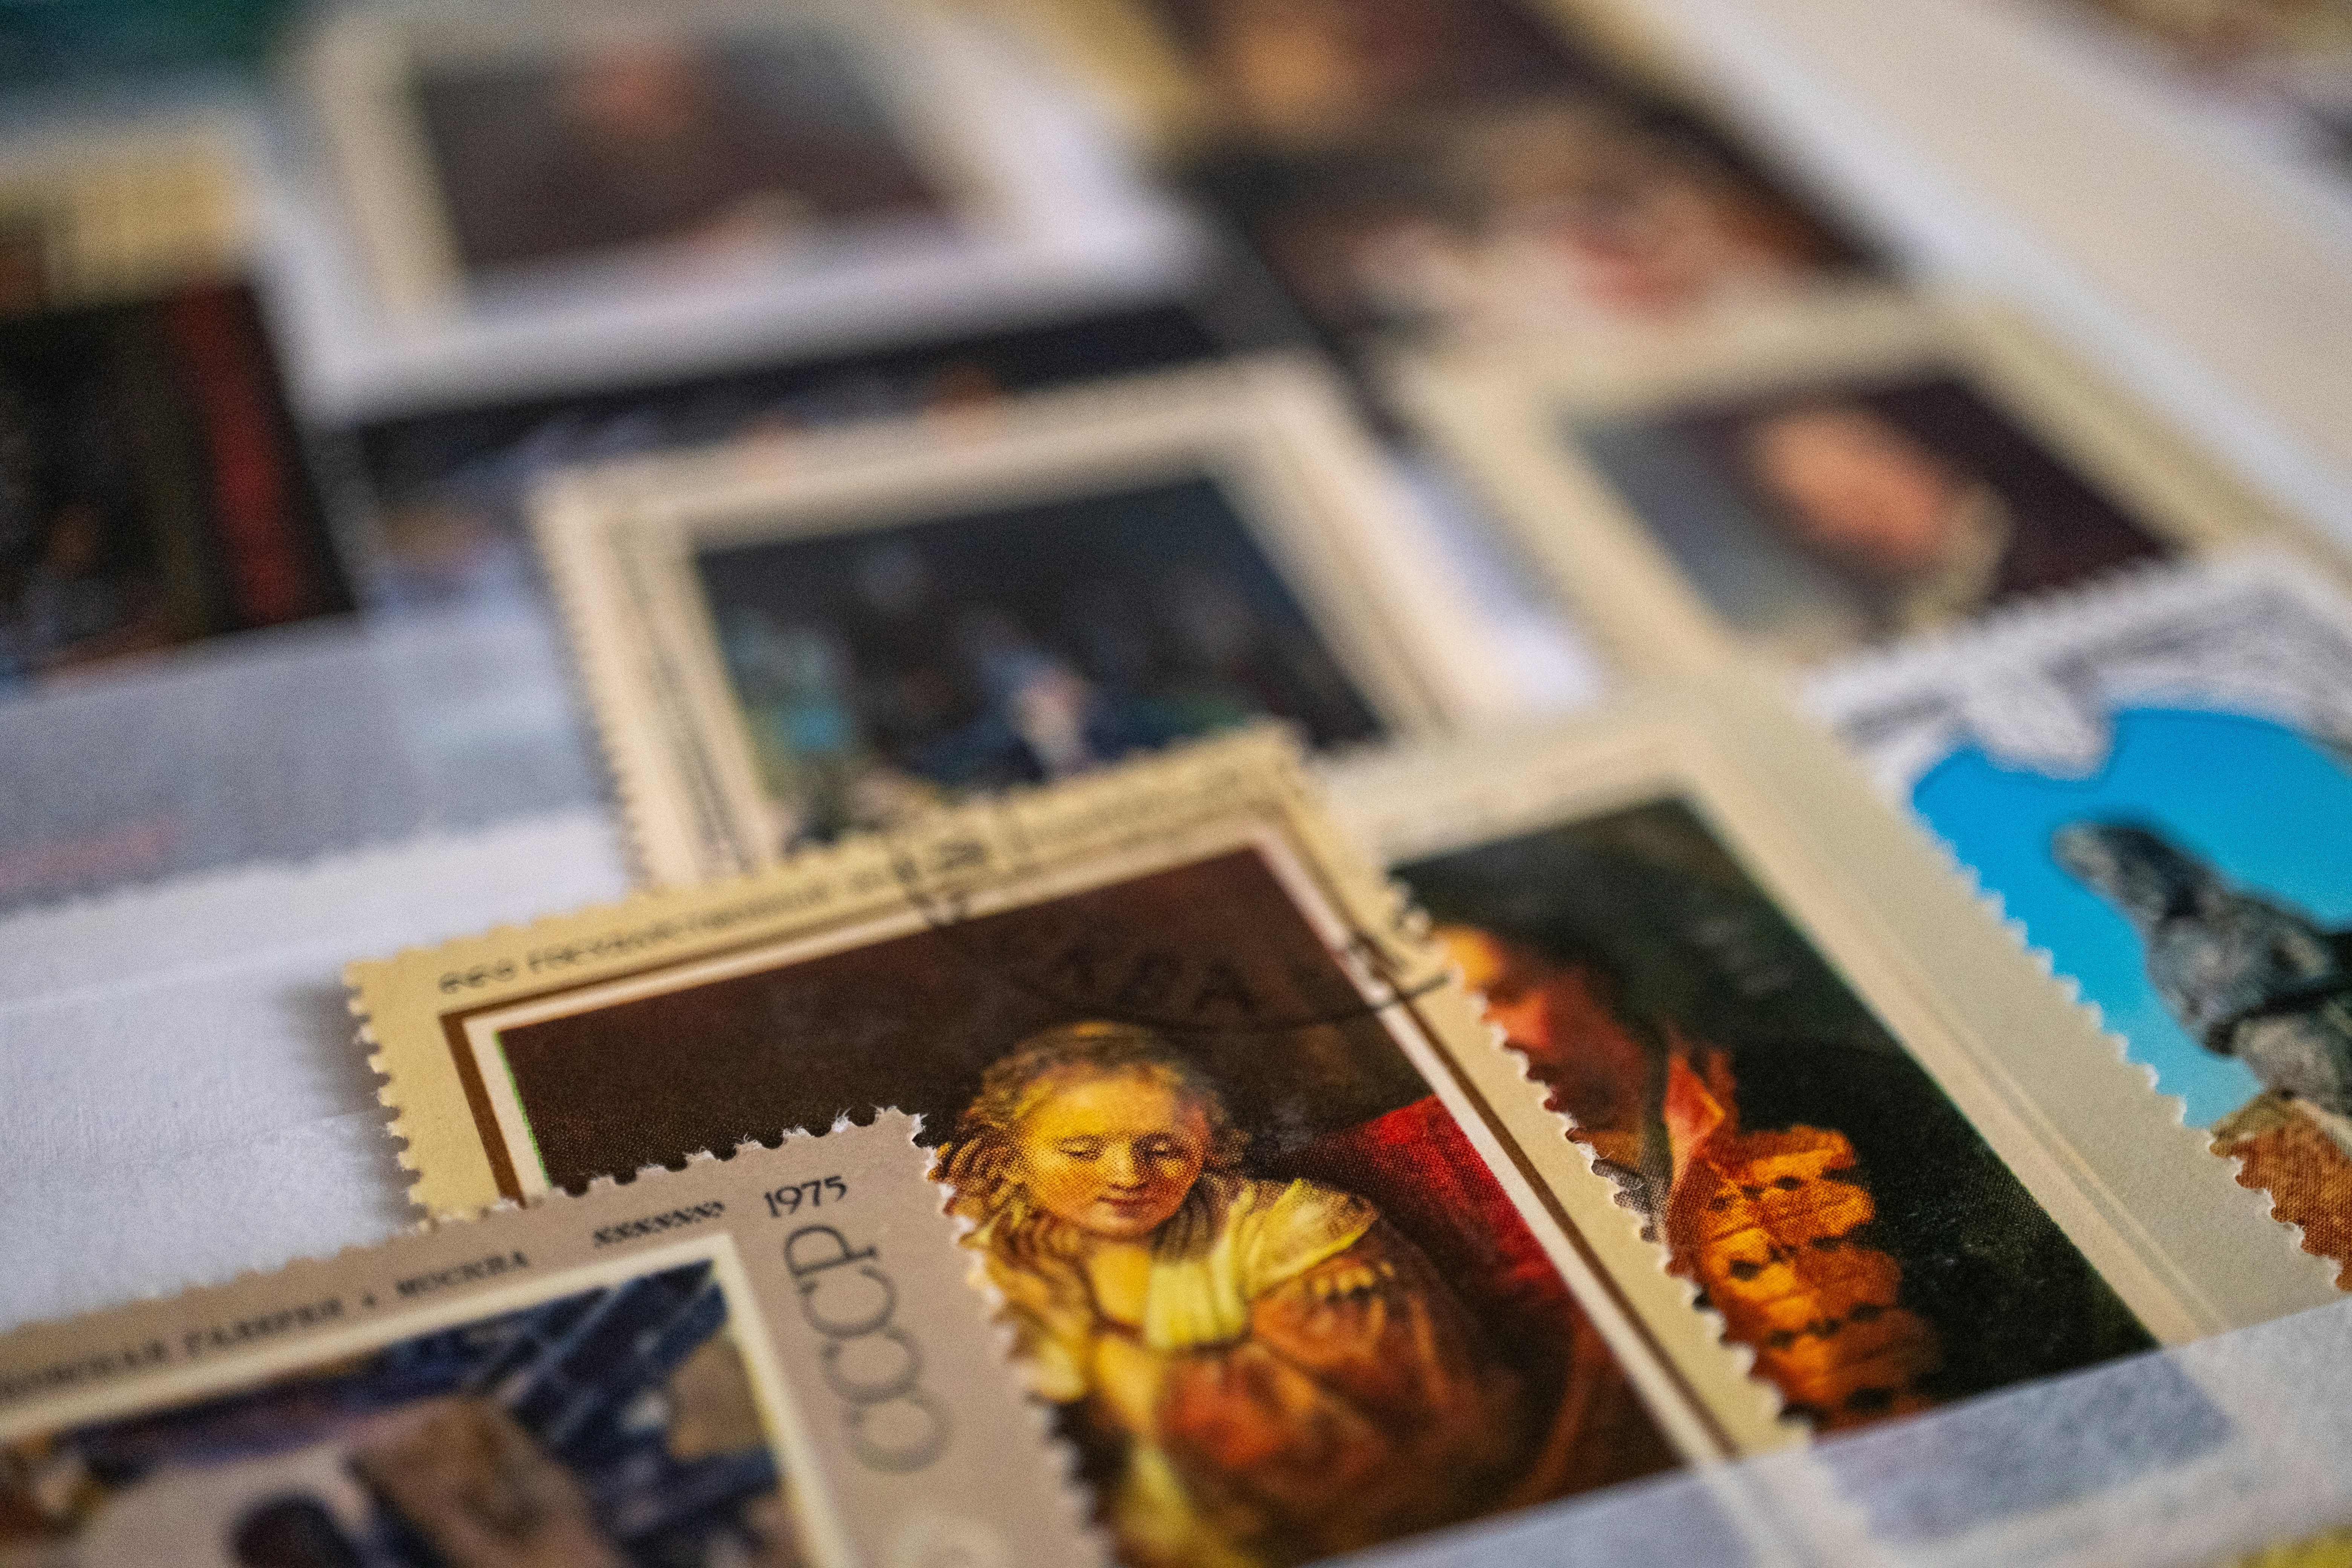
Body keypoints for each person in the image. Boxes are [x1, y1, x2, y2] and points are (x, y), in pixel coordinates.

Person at [933, 1021, 1534, 1568]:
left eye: (1162, 1148)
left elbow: (1417, 1441)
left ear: (1209, 1143)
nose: (1127, 1175)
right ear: (1011, 1156)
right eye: (1082, 1151)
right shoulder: (977, 1250)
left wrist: (1121, 1367)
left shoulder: (1304, 1233)